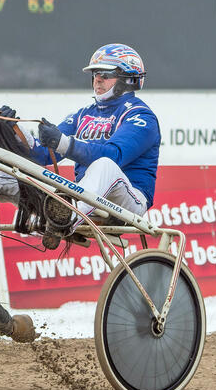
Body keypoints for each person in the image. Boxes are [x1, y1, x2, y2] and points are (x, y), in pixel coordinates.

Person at [32, 43, 160, 248]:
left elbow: (114, 156)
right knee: (22, 168)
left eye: (105, 74)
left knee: (105, 165)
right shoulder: (84, 113)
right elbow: (42, 155)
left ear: (128, 79)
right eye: (94, 74)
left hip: (129, 201)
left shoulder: (141, 115)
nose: (97, 79)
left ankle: (65, 219)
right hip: (91, 198)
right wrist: (5, 130)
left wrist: (62, 142)